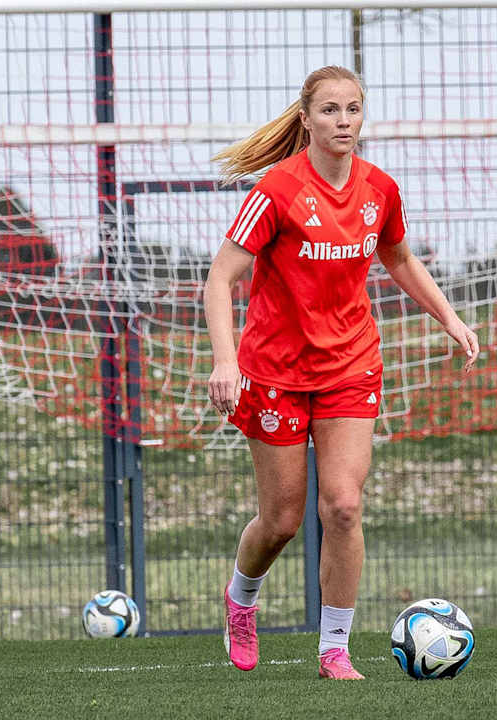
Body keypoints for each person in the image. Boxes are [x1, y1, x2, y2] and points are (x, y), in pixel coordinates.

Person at [204, 65, 479, 680]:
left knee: (345, 507)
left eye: (353, 109)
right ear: (306, 118)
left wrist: (450, 320)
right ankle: (241, 600)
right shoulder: (275, 190)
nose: (343, 121)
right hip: (274, 371)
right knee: (279, 520)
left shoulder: (380, 189)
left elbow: (400, 258)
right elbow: (221, 278)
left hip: (351, 366)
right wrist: (226, 362)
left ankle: (334, 648)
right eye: (329, 110)